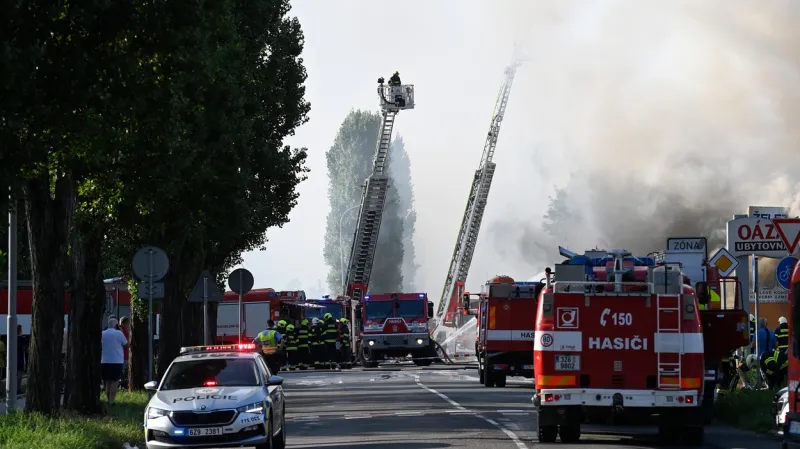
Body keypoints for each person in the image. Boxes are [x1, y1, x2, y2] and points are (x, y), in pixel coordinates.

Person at [100, 317, 128, 405]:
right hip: (116, 361)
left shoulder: (102, 333)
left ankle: (108, 398)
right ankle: (111, 400)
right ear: (116, 325)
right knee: (115, 381)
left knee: (107, 381)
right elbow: (126, 344)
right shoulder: (118, 333)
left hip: (104, 360)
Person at [118, 317, 131, 388]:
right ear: (125, 323)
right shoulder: (123, 331)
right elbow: (126, 343)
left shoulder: (121, 330)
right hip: (124, 355)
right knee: (123, 371)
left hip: (122, 355)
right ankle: (122, 385)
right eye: (128, 324)